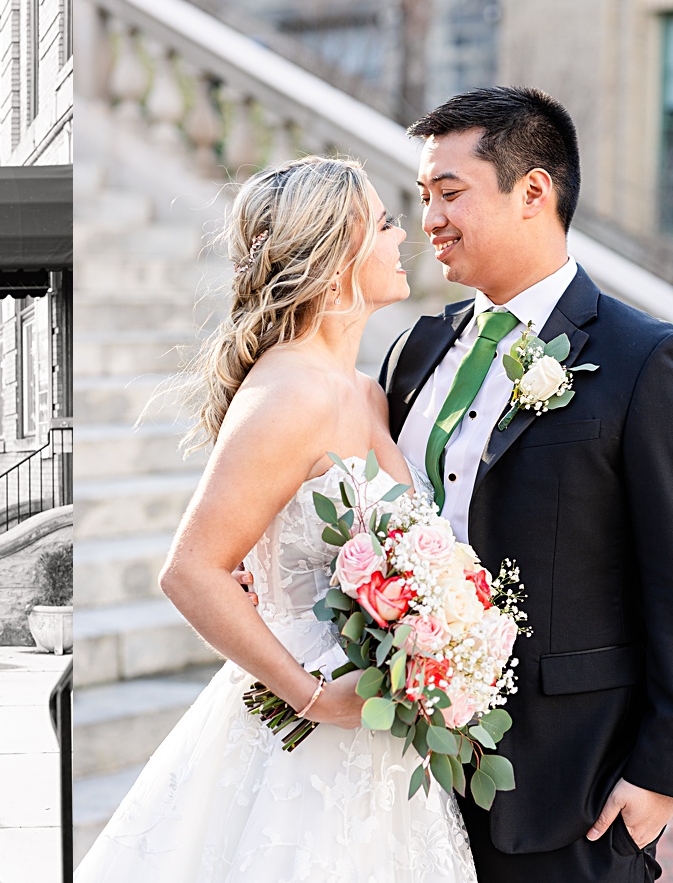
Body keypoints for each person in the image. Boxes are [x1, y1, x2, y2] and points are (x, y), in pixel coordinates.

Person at [75, 157, 477, 881]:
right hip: (304, 728)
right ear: (334, 257)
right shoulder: (289, 394)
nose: (401, 237)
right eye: (384, 223)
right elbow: (191, 571)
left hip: (385, 735)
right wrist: (313, 696)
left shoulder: (365, 392)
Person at [378, 85, 673, 882]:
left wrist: (659, 776)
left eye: (449, 193)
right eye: (422, 197)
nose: (430, 218)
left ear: (533, 192)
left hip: (571, 787)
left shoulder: (643, 358)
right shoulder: (418, 352)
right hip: (406, 766)